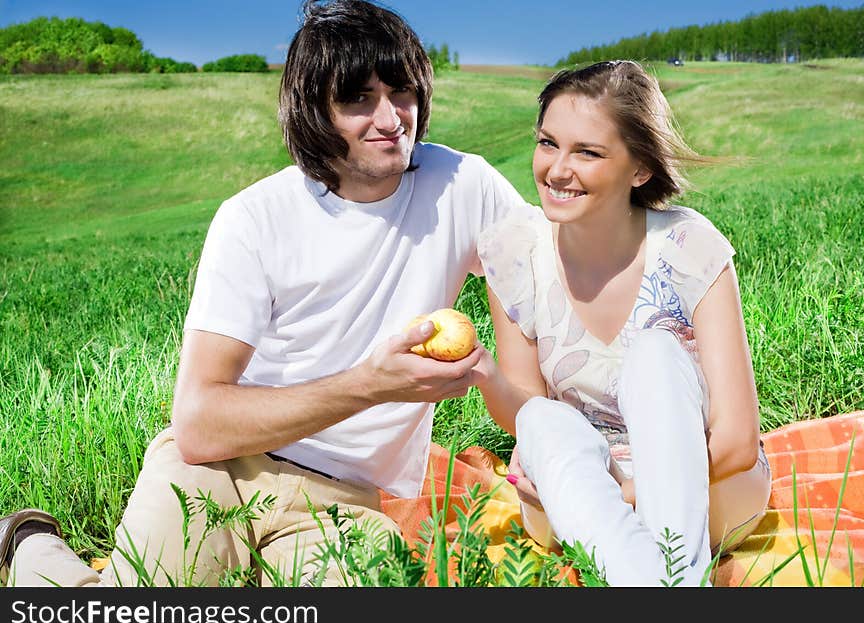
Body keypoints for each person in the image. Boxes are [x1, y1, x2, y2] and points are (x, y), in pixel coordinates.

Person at [0, 0, 526, 587]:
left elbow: (559, 270)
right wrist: (371, 386)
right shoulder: (253, 218)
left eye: (401, 91)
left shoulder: (465, 185)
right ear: (314, 113)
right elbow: (199, 423)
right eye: (358, 99)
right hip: (221, 469)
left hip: (347, 505)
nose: (390, 118)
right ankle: (29, 543)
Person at [473, 60, 771, 586]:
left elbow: (737, 441)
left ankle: (665, 577)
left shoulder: (688, 248)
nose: (557, 169)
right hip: (578, 484)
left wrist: (619, 501)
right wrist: (485, 376)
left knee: (656, 353)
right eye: (548, 143)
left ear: (640, 168)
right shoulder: (515, 251)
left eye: (587, 152)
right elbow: (524, 412)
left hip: (704, 481)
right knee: (542, 420)